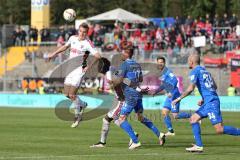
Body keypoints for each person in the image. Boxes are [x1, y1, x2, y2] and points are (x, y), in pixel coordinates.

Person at [172, 51, 240, 152]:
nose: (188, 63)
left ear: (191, 62)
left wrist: (178, 99)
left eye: (188, 61)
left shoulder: (195, 71)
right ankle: (199, 146)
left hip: (211, 102)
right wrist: (204, 99)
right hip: (209, 101)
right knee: (193, 119)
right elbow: (214, 86)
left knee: (219, 129)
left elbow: (191, 89)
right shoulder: (205, 71)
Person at [109, 41, 166, 149]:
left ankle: (135, 141)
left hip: (130, 95)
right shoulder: (137, 65)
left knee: (121, 118)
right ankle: (160, 134)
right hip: (138, 94)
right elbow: (139, 79)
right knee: (140, 117)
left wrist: (115, 85)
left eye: (122, 52)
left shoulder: (124, 65)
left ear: (126, 53)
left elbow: (117, 81)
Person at [48, 23, 101, 128]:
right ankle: (82, 104)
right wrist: (53, 54)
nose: (82, 34)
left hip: (79, 71)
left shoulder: (88, 43)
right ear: (78, 31)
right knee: (67, 94)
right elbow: (65, 46)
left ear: (87, 33)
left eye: (84, 32)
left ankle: (78, 116)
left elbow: (98, 56)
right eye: (81, 31)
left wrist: (89, 66)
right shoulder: (72, 38)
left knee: (72, 95)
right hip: (70, 69)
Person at [148, 56, 192, 136]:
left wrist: (171, 92)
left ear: (164, 63)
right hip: (169, 96)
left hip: (174, 95)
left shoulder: (167, 71)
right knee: (164, 112)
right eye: (158, 62)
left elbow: (175, 81)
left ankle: (192, 116)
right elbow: (163, 85)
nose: (160, 64)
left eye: (161, 62)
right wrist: (155, 91)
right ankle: (171, 131)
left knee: (176, 115)